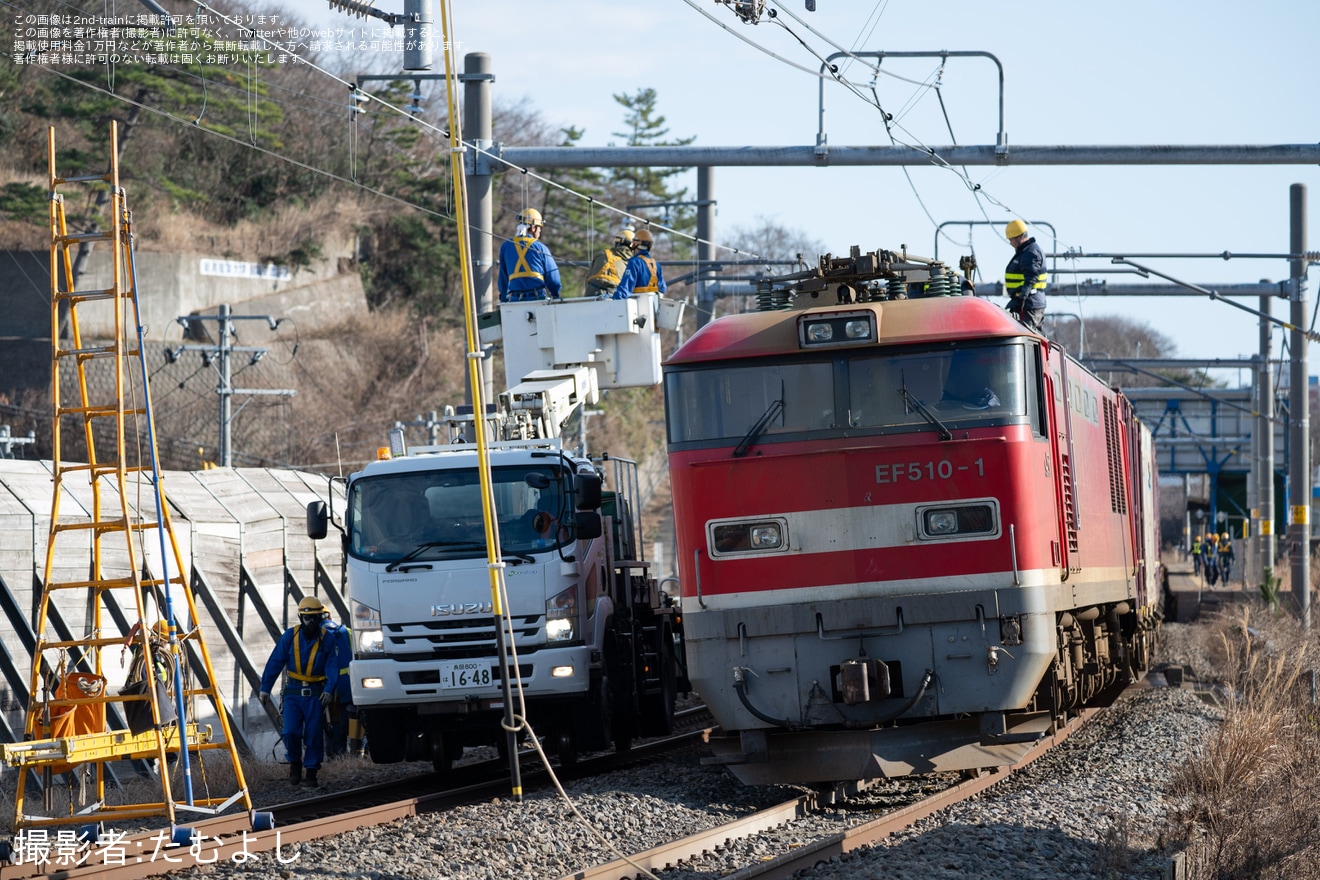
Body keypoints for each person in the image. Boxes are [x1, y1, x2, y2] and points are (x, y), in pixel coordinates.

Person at [260, 596, 338, 786]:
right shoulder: (290, 636)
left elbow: (332, 666)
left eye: (314, 618)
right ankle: (295, 763)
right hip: (293, 693)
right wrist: (265, 689)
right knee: (290, 732)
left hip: (315, 693)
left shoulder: (328, 639)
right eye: (306, 618)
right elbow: (275, 662)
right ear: (300, 617)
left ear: (320, 618)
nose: (310, 623)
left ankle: (311, 772)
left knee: (313, 734)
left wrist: (328, 690)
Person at [497, 208, 562, 302]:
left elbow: (503, 279)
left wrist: (504, 300)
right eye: (539, 227)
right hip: (537, 299)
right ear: (533, 227)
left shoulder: (506, 246)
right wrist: (556, 295)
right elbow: (553, 277)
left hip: (515, 300)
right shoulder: (541, 248)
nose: (540, 231)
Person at [1003, 219, 1048, 331]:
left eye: (1011, 240)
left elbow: (1031, 276)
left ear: (1020, 237)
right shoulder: (1026, 251)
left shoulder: (1030, 253)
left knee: (1025, 334)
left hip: (1029, 305)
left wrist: (1023, 297)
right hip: (1028, 303)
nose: (1010, 243)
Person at [321, 614, 353, 758]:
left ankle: (334, 755)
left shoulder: (317, 635)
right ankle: (355, 752)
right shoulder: (347, 631)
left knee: (330, 722)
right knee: (351, 718)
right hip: (349, 683)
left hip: (328, 685)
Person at [612, 228, 666, 299]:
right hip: (653, 305)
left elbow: (625, 288)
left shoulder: (634, 262)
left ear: (634, 244)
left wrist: (614, 301)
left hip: (638, 305)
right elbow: (663, 288)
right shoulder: (657, 265)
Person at [583, 226, 636, 297]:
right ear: (633, 246)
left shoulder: (601, 254)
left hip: (591, 292)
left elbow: (588, 277)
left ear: (616, 243)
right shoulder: (631, 261)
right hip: (613, 294)